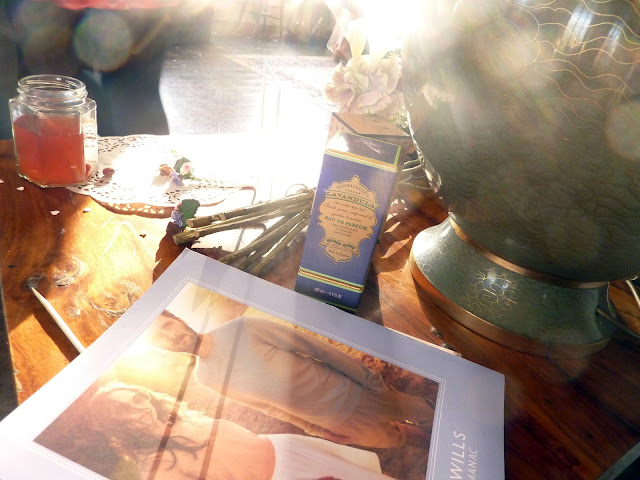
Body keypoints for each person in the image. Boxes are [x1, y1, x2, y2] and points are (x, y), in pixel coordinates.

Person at [146, 311, 434, 449]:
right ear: (162, 349)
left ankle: (433, 426)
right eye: (161, 338)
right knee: (395, 441)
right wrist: (317, 430)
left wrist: (370, 380)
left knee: (425, 412)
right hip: (335, 422)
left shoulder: (244, 327)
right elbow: (268, 408)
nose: (171, 336)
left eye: (168, 325)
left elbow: (317, 349)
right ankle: (426, 443)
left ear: (180, 320)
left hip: (360, 393)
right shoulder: (205, 377)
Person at [89, 381, 397, 480]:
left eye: (137, 398)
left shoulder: (177, 418)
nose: (139, 408)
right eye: (122, 410)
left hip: (288, 450)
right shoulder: (154, 467)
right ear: (115, 424)